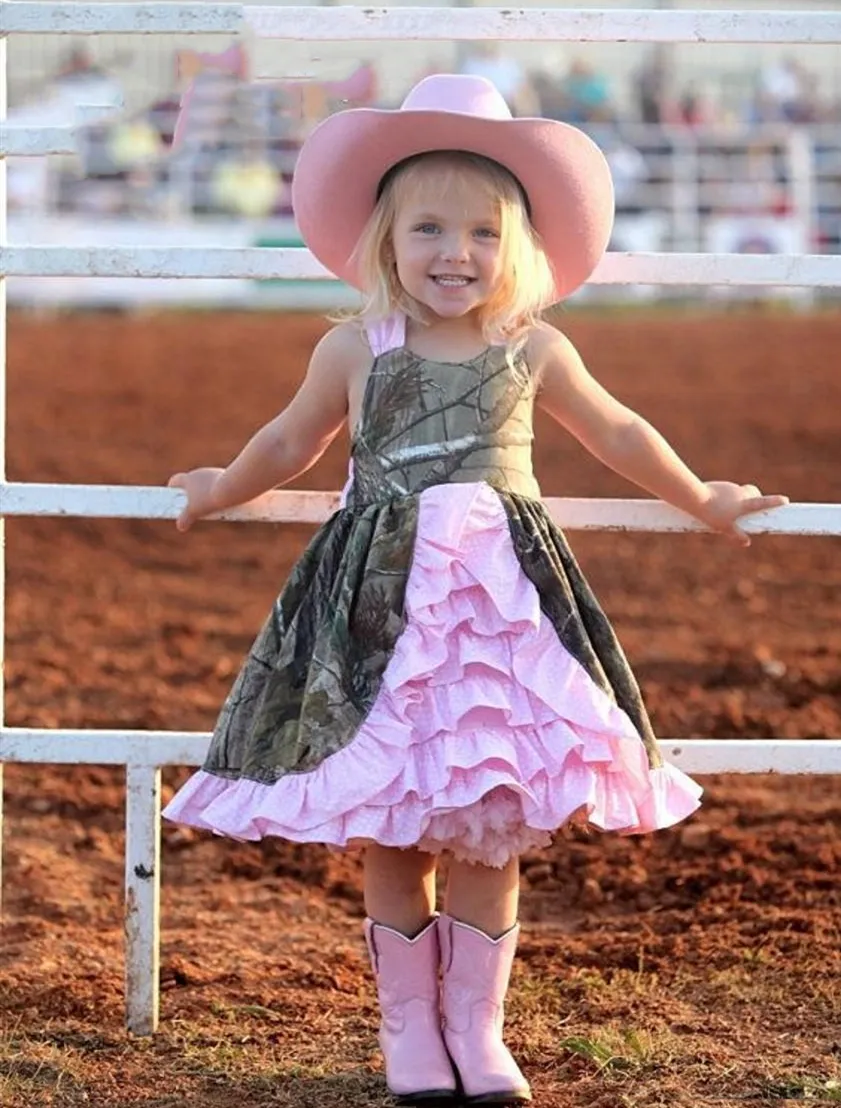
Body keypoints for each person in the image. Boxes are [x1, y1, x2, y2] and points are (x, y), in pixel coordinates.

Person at [162, 74, 788, 1105]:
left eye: (482, 234)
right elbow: (289, 440)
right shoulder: (353, 349)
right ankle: (408, 1029)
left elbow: (619, 431)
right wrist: (220, 486)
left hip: (498, 618)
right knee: (398, 821)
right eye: (428, 229)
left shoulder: (530, 347)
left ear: (519, 248)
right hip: (379, 616)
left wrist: (700, 494)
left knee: (492, 816)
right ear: (385, 239)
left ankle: (475, 1026)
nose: (455, 254)